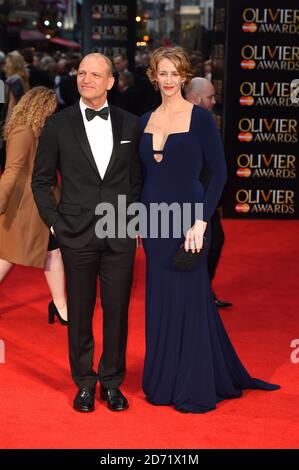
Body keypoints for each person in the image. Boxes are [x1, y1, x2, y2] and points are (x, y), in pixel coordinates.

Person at [139, 47, 280, 414]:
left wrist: (202, 221)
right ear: (154, 76)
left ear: (184, 77)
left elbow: (219, 173)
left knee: (189, 295)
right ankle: (163, 380)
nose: (168, 80)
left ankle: (192, 380)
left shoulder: (200, 120)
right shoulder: (144, 120)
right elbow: (141, 176)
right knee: (160, 300)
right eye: (162, 73)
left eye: (175, 73)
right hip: (154, 221)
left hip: (189, 218)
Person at [32, 53, 142, 413]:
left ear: (111, 82)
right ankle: (84, 382)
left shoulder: (129, 124)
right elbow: (41, 180)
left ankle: (112, 382)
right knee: (79, 312)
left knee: (116, 311)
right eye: (82, 73)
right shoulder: (58, 125)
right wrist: (55, 224)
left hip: (119, 233)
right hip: (75, 234)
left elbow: (136, 179)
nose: (86, 79)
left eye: (95, 74)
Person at [0, 87, 67, 325]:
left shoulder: (38, 131)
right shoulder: (23, 132)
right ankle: (61, 306)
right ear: (38, 107)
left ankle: (60, 306)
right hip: (24, 207)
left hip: (41, 203)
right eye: (49, 110)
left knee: (53, 252)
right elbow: (12, 172)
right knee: (7, 256)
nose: (52, 114)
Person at [185, 77, 232, 308]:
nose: (214, 101)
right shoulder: (182, 120)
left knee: (214, 242)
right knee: (197, 246)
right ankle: (196, 294)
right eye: (210, 97)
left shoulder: (207, 121)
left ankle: (203, 291)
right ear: (195, 98)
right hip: (187, 198)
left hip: (207, 197)